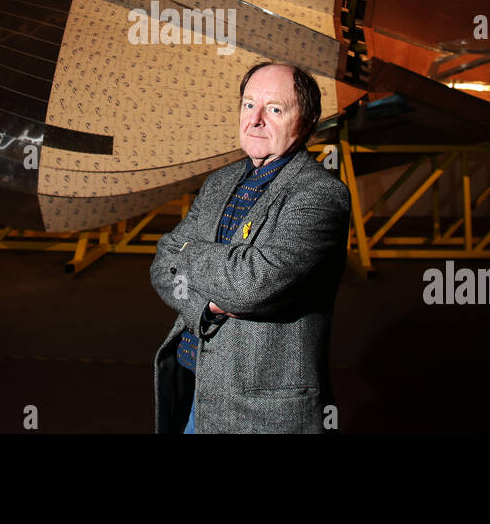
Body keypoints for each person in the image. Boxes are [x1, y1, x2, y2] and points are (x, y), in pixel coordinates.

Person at [149, 61, 352, 433]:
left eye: (274, 109)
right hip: (194, 387)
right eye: (248, 105)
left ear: (306, 122)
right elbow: (162, 265)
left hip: (261, 412)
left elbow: (250, 286)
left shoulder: (320, 196)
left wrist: (189, 253)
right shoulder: (220, 181)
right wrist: (207, 306)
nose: (255, 119)